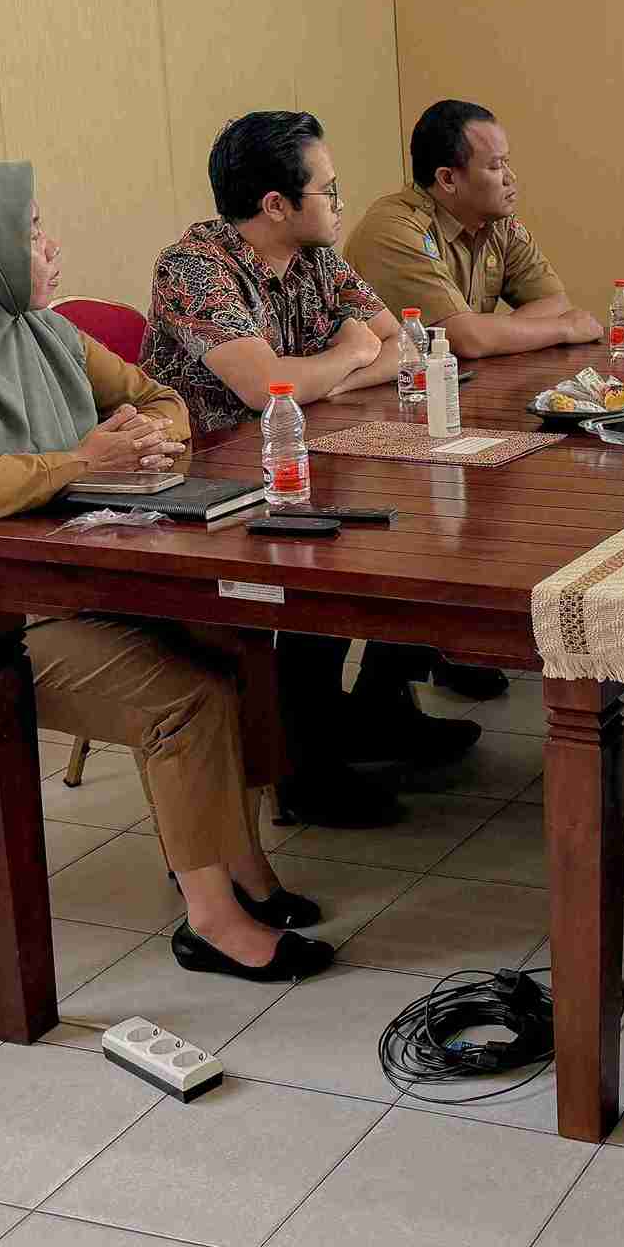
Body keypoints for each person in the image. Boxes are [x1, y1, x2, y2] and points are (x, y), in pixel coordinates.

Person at [0, 160, 333, 982]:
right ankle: (210, 920)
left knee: (236, 639)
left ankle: (236, 865)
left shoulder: (40, 334)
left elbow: (154, 393)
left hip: (49, 585)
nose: (49, 245)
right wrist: (80, 459)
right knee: (182, 695)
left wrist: (156, 435)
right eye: (28, 233)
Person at [140, 111, 481, 827]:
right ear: (276, 205)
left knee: (420, 520)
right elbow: (265, 390)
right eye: (328, 189)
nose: (340, 202)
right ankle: (302, 767)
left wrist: (330, 373)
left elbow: (406, 345)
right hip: (205, 491)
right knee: (325, 552)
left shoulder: (316, 258)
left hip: (299, 458)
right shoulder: (195, 269)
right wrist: (350, 358)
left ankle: (375, 709)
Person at [344, 98, 601, 359]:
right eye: (495, 166)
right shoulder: (393, 229)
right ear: (447, 179)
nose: (510, 177)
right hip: (385, 393)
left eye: (507, 162)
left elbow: (555, 303)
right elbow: (466, 340)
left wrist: (491, 333)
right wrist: (566, 328)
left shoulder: (498, 223)